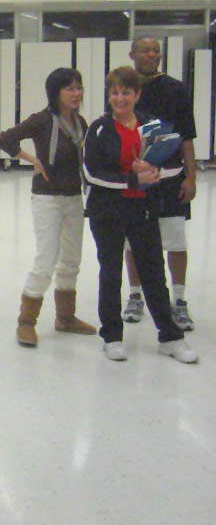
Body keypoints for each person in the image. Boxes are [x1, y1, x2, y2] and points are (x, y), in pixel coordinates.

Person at [82, 66, 197, 363]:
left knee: (153, 272)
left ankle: (170, 337)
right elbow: (92, 174)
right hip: (107, 212)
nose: (119, 98)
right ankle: (112, 336)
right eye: (114, 92)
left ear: (137, 95)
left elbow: (172, 164)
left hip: (143, 208)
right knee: (110, 272)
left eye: (126, 92)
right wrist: (132, 179)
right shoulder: (99, 129)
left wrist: (155, 172)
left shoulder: (151, 126)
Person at [0, 68, 95, 347]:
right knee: (46, 260)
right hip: (47, 200)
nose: (76, 94)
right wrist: (31, 159)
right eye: (70, 88)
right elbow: (4, 139)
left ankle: (66, 317)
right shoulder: (42, 120)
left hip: (74, 198)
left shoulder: (80, 123)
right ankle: (26, 322)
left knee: (72, 260)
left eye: (79, 87)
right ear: (56, 92)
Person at [121, 36, 197, 332]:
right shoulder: (125, 91)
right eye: (145, 50)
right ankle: (136, 296)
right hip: (136, 180)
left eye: (156, 50)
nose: (152, 54)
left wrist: (190, 176)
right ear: (133, 54)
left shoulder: (176, 89)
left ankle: (178, 301)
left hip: (171, 180)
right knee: (133, 240)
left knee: (176, 239)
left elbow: (187, 136)